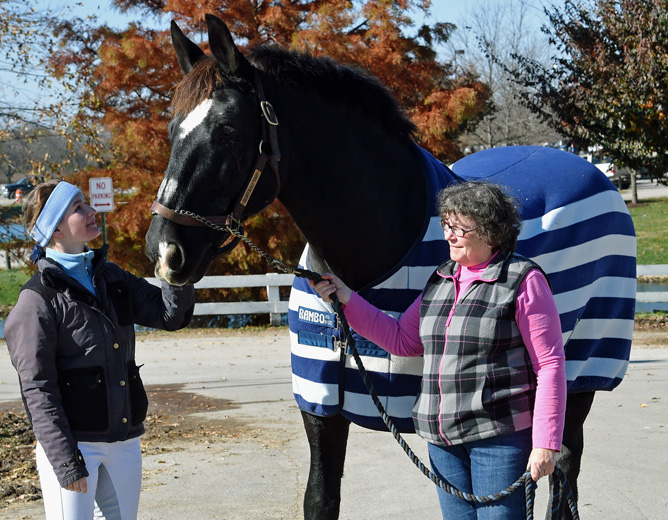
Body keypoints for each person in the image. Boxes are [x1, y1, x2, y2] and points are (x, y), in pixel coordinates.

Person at [311, 181, 567, 519]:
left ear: (490, 230)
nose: (448, 235)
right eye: (446, 225)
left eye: (459, 228)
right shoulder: (442, 278)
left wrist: (546, 442)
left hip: (498, 439)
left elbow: (549, 364)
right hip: (442, 440)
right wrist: (345, 296)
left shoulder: (522, 279)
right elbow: (402, 339)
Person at [4, 180, 195, 520]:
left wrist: (177, 267)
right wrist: (65, 462)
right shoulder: (36, 301)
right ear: (56, 227)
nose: (92, 211)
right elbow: (37, 389)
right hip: (74, 446)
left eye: (87, 203)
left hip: (124, 441)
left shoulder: (112, 277)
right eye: (78, 207)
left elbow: (170, 315)